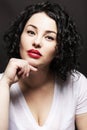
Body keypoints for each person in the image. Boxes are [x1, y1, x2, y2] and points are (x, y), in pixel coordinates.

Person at [0, 1, 87, 130]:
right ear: (19, 38)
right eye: (31, 32)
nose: (36, 42)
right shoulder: (1, 83)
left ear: (60, 48)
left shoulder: (77, 84)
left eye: (49, 37)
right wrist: (5, 83)